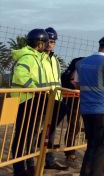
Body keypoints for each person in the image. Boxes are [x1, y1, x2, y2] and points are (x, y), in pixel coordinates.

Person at [75, 35, 104, 176]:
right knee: (101, 149)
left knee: (91, 146)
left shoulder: (82, 62)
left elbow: (77, 84)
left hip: (86, 109)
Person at [10, 28, 49, 176]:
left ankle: (28, 164)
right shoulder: (28, 57)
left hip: (34, 100)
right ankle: (19, 169)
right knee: (21, 135)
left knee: (29, 134)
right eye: (45, 43)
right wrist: (35, 90)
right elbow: (20, 75)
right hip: (25, 100)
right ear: (40, 44)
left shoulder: (37, 57)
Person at [42, 27, 69, 171]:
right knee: (34, 133)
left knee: (50, 132)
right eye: (49, 41)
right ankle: (30, 163)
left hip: (55, 99)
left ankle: (49, 160)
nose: (51, 44)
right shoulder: (40, 58)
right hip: (41, 99)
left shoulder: (55, 60)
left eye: (53, 41)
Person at [60, 56, 84, 164]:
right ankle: (70, 152)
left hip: (73, 101)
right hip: (72, 102)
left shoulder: (70, 73)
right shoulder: (71, 74)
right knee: (74, 127)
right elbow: (74, 85)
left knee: (75, 127)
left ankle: (69, 151)